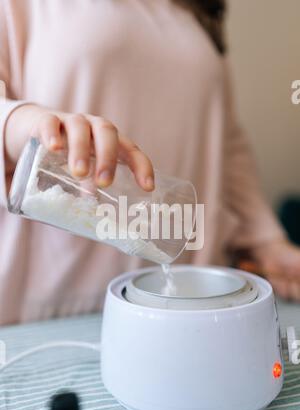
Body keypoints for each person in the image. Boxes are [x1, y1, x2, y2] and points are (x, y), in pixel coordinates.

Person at [0, 0, 299, 325]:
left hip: (193, 304)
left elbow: (225, 143)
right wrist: (24, 124)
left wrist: (266, 243)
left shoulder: (194, 8)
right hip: (52, 314)